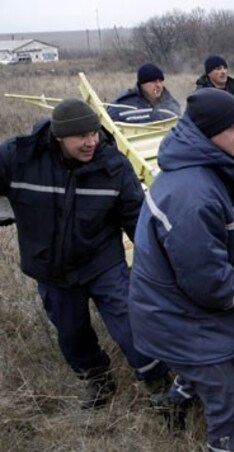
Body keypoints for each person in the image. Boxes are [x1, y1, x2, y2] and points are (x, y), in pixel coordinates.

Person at [128, 88, 234, 450]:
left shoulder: (196, 170)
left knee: (201, 364)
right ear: (207, 133)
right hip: (171, 313)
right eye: (231, 126)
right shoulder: (193, 195)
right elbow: (208, 283)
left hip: (165, 304)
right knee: (226, 401)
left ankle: (173, 403)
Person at [0, 98, 172, 409]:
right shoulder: (20, 157)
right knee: (71, 334)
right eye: (82, 136)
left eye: (94, 133)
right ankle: (98, 381)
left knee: (132, 325)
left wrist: (160, 266)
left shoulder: (113, 166)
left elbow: (136, 219)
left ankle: (160, 389)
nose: (91, 142)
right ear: (59, 137)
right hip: (51, 268)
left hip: (102, 262)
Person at [107, 63, 181, 123]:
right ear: (142, 84)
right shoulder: (121, 106)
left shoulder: (171, 104)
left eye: (161, 81)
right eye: (153, 82)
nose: (158, 85)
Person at [195, 55, 234, 127]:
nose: (223, 72)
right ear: (209, 73)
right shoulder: (201, 95)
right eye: (218, 69)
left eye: (225, 68)